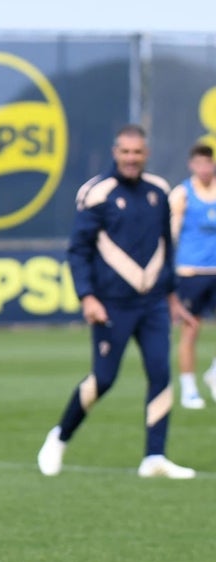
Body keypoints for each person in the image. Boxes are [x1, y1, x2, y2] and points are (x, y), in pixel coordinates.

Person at [38, 125, 197, 479]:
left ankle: (154, 456)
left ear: (146, 154)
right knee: (105, 379)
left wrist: (171, 297)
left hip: (153, 303)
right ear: (115, 152)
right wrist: (87, 297)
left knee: (160, 373)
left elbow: (164, 247)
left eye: (137, 152)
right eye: (125, 152)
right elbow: (78, 250)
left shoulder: (159, 191)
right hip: (112, 304)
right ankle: (60, 436)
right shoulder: (97, 194)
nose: (131, 158)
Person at [169, 142, 216, 409]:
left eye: (208, 163)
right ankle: (189, 388)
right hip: (191, 270)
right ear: (192, 165)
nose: (205, 169)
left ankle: (214, 374)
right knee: (191, 329)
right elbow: (172, 232)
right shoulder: (183, 194)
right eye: (199, 164)